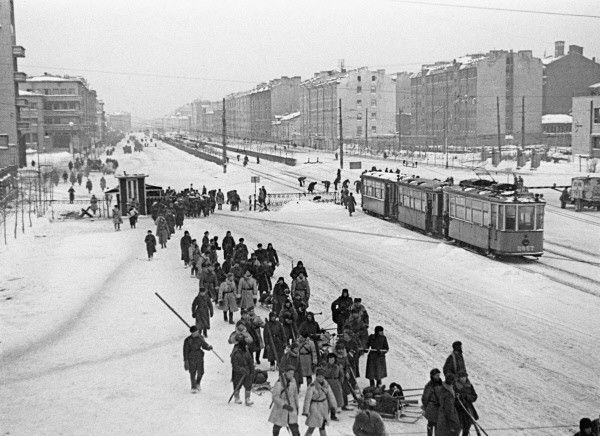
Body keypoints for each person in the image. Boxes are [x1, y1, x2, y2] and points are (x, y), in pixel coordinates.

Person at [302, 367, 337, 436]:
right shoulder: (312, 386)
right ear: (316, 376)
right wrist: (306, 411)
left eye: (322, 377)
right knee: (311, 427)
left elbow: (331, 396)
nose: (321, 378)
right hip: (315, 409)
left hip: (324, 408)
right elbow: (307, 400)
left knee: (322, 427)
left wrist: (334, 406)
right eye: (319, 377)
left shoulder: (326, 385)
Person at [269, 366, 301, 436]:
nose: (291, 375)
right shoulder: (279, 383)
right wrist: (284, 405)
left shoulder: (293, 381)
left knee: (294, 427)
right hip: (281, 409)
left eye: (292, 373)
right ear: (285, 373)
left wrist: (297, 406)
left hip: (291, 407)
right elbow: (275, 397)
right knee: (277, 427)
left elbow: (295, 394)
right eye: (290, 373)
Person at [183, 325, 213, 393]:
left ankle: (198, 383)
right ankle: (193, 387)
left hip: (199, 356)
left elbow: (204, 345)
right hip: (191, 357)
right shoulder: (187, 340)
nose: (197, 333)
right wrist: (186, 361)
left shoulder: (200, 338)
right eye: (196, 332)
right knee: (192, 372)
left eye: (197, 331)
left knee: (201, 372)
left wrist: (209, 347)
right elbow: (185, 351)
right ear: (192, 333)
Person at [230, 334, 255, 406]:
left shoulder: (246, 351)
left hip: (247, 371)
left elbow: (250, 361)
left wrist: (251, 370)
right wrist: (241, 369)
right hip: (238, 372)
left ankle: (247, 399)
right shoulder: (235, 353)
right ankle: (237, 397)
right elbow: (234, 365)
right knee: (237, 384)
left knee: (248, 385)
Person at [454, 370, 478, 435]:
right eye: (462, 377)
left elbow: (474, 396)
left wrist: (467, 397)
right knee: (457, 428)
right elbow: (452, 399)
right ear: (458, 378)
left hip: (468, 409)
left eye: (465, 377)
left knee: (467, 428)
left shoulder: (469, 385)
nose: (463, 379)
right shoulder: (455, 386)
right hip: (458, 410)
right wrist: (458, 398)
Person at [320, 353, 344, 420]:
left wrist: (339, 382)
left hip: (336, 384)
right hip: (326, 383)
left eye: (332, 359)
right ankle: (325, 415)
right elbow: (321, 374)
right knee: (326, 400)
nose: (331, 360)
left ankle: (333, 415)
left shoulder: (338, 366)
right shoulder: (324, 366)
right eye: (330, 359)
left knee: (334, 400)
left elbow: (341, 375)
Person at [422, 368, 442, 436]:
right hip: (432, 407)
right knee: (431, 423)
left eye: (439, 375)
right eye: (437, 375)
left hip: (439, 407)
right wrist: (426, 407)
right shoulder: (429, 386)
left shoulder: (442, 384)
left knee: (438, 425)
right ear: (432, 376)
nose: (438, 377)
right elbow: (425, 398)